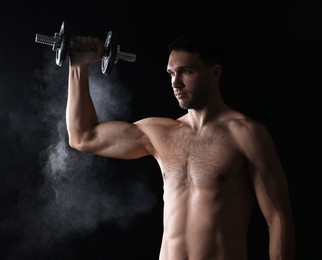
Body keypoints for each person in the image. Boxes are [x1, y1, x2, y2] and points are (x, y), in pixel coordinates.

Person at [66, 30, 295, 260]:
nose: (175, 82)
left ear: (215, 73)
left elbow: (278, 220)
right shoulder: (160, 133)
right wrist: (78, 67)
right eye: (171, 73)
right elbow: (83, 137)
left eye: (187, 72)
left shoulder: (246, 135)